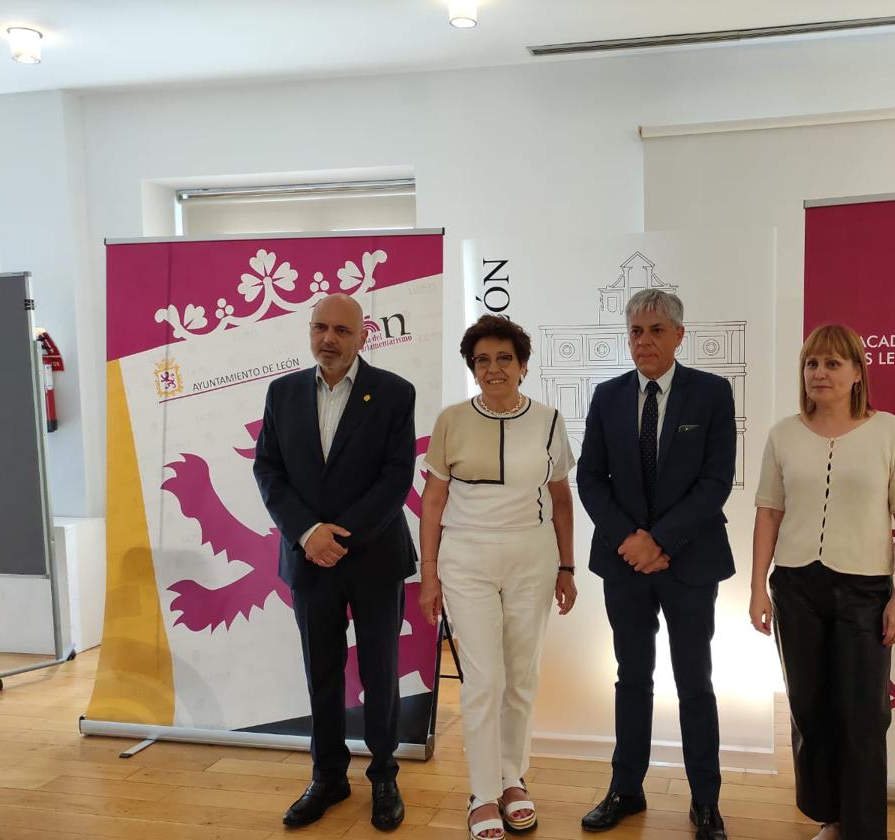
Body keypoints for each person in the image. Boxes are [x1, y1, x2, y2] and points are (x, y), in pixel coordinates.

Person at [748, 323, 895, 840]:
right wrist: (759, 586)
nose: (819, 373)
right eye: (811, 364)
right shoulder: (783, 434)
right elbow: (768, 513)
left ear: (856, 373)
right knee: (808, 707)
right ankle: (831, 815)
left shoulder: (891, 432)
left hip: (865, 591)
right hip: (797, 587)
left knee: (865, 715)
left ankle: (864, 829)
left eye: (832, 363)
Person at [253, 293, 417, 832]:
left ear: (363, 335)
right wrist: (308, 534)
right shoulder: (281, 393)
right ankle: (328, 777)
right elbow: (269, 473)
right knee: (321, 671)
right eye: (320, 327)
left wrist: (337, 537)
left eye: (341, 331)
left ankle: (385, 776)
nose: (329, 339)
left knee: (379, 673)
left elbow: (395, 479)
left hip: (372, 558)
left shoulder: (395, 393)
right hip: (308, 560)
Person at [577, 289, 734, 840]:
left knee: (695, 681)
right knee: (631, 678)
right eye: (636, 331)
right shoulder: (607, 396)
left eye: (656, 330)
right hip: (625, 564)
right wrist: (630, 541)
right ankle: (626, 788)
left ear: (679, 336)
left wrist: (660, 540)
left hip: (689, 562)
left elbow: (716, 481)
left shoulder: (712, 394)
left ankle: (706, 801)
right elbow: (589, 479)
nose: (644, 341)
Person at [418, 315, 578, 840]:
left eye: (504, 358)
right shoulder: (451, 421)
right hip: (466, 557)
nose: (494, 368)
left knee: (522, 673)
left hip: (533, 557)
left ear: (523, 365)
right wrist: (429, 573)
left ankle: (513, 779)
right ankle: (482, 792)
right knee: (484, 679)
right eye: (483, 360)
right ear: (472, 367)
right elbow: (434, 500)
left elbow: (560, 498)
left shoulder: (550, 421)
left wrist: (566, 566)